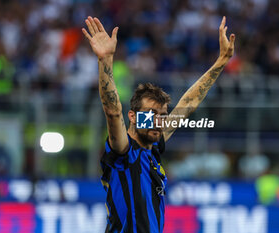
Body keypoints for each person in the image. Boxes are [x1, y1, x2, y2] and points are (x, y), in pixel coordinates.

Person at [82, 15, 235, 233]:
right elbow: (113, 111)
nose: (158, 120)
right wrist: (105, 60)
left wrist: (221, 62)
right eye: (150, 114)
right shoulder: (124, 154)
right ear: (133, 117)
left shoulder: (152, 150)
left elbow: (188, 102)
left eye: (162, 115)